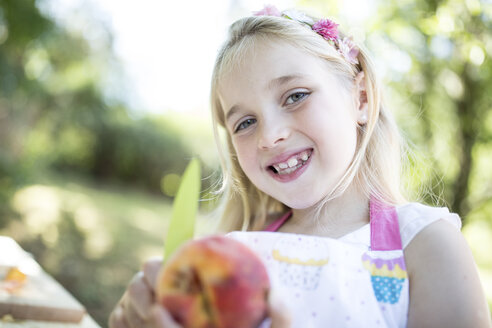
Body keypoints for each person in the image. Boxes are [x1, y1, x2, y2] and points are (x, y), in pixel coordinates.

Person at [109, 5, 491, 328]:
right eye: (244, 122)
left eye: (295, 96)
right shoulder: (233, 255)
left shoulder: (425, 245)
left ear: (359, 98)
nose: (269, 136)